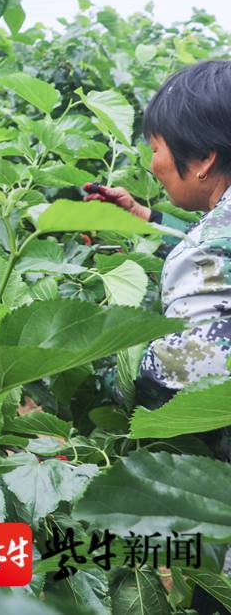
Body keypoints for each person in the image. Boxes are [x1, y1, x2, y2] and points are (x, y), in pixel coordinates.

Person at [82, 59, 231, 459]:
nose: (153, 165)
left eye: (156, 149)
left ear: (205, 159)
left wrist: (96, 368)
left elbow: (190, 369)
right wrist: (145, 218)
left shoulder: (206, 247)